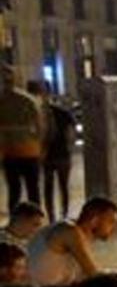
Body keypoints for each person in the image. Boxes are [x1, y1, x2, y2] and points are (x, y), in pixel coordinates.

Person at [27, 197, 117, 287]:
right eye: (111, 222)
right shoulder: (70, 232)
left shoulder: (75, 231)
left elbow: (84, 276)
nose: (115, 228)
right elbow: (93, 274)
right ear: (94, 220)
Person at [28, 81, 75, 222]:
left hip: (49, 155)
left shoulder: (38, 113)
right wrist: (69, 148)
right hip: (61, 155)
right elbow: (70, 133)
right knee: (63, 186)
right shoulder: (63, 112)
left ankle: (52, 216)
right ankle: (63, 213)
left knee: (49, 187)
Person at [0, 64, 44, 213]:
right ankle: (35, 218)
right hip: (29, 151)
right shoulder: (29, 100)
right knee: (32, 189)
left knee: (14, 190)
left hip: (11, 153)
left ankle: (16, 219)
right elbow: (40, 128)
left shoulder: (3, 101)